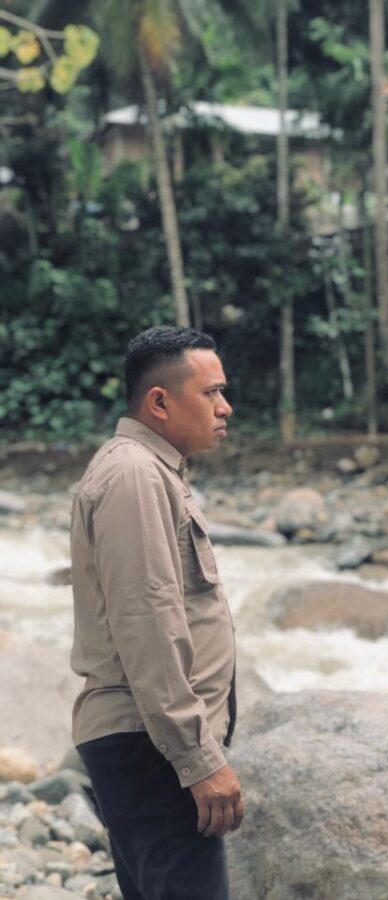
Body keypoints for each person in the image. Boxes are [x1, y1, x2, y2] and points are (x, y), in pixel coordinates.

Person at [70, 326, 242, 900]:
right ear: (160, 402)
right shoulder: (135, 476)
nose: (226, 407)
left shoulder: (149, 472)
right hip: (153, 748)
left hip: (151, 745)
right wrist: (198, 759)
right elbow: (149, 623)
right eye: (211, 393)